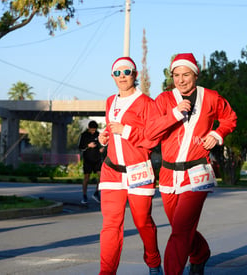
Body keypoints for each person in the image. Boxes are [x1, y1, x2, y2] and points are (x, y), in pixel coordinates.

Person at [145, 53, 237, 275]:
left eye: (186, 74)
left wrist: (217, 134)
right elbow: (150, 133)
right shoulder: (164, 100)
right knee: (180, 227)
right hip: (168, 174)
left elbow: (229, 118)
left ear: (196, 74)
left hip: (197, 172)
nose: (181, 79)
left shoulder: (211, 97)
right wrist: (174, 114)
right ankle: (200, 252)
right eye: (176, 75)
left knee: (180, 231)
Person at [97, 57, 162, 275]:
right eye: (117, 73)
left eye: (126, 72)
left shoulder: (147, 103)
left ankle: (154, 263)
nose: (122, 76)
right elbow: (111, 129)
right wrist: (104, 137)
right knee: (110, 227)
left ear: (135, 74)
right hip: (112, 172)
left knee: (143, 222)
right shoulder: (109, 102)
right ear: (112, 77)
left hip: (139, 171)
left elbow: (153, 139)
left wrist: (125, 131)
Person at [78, 120, 103, 204]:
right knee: (86, 178)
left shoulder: (98, 134)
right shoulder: (84, 135)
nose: (93, 131)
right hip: (88, 160)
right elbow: (80, 147)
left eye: (94, 130)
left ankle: (96, 193)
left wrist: (101, 149)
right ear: (88, 128)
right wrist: (88, 145)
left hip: (97, 159)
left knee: (101, 176)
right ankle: (84, 195)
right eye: (92, 130)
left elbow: (101, 144)